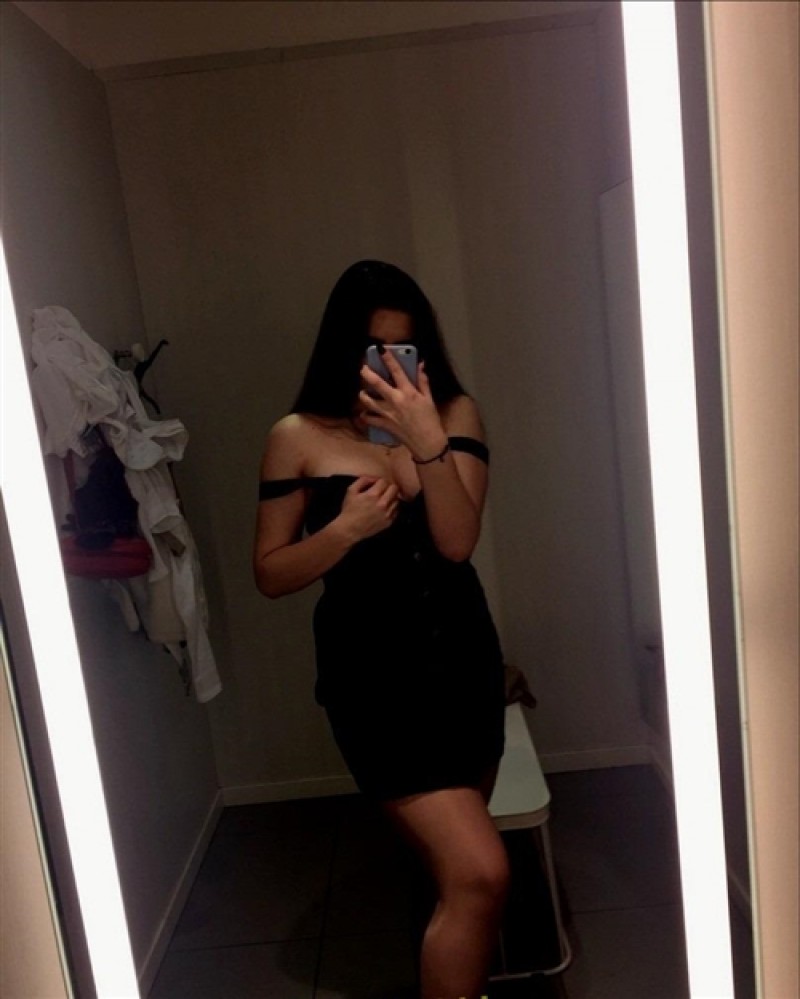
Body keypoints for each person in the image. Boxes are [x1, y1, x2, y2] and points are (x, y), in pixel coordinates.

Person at [253, 260, 510, 998]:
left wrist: (426, 441)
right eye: (376, 348)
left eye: (406, 348)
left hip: (462, 662)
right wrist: (346, 529)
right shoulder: (298, 435)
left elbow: (457, 543)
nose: (391, 365)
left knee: (453, 872)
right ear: (345, 348)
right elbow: (271, 572)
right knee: (482, 872)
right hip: (373, 681)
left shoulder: (455, 415)